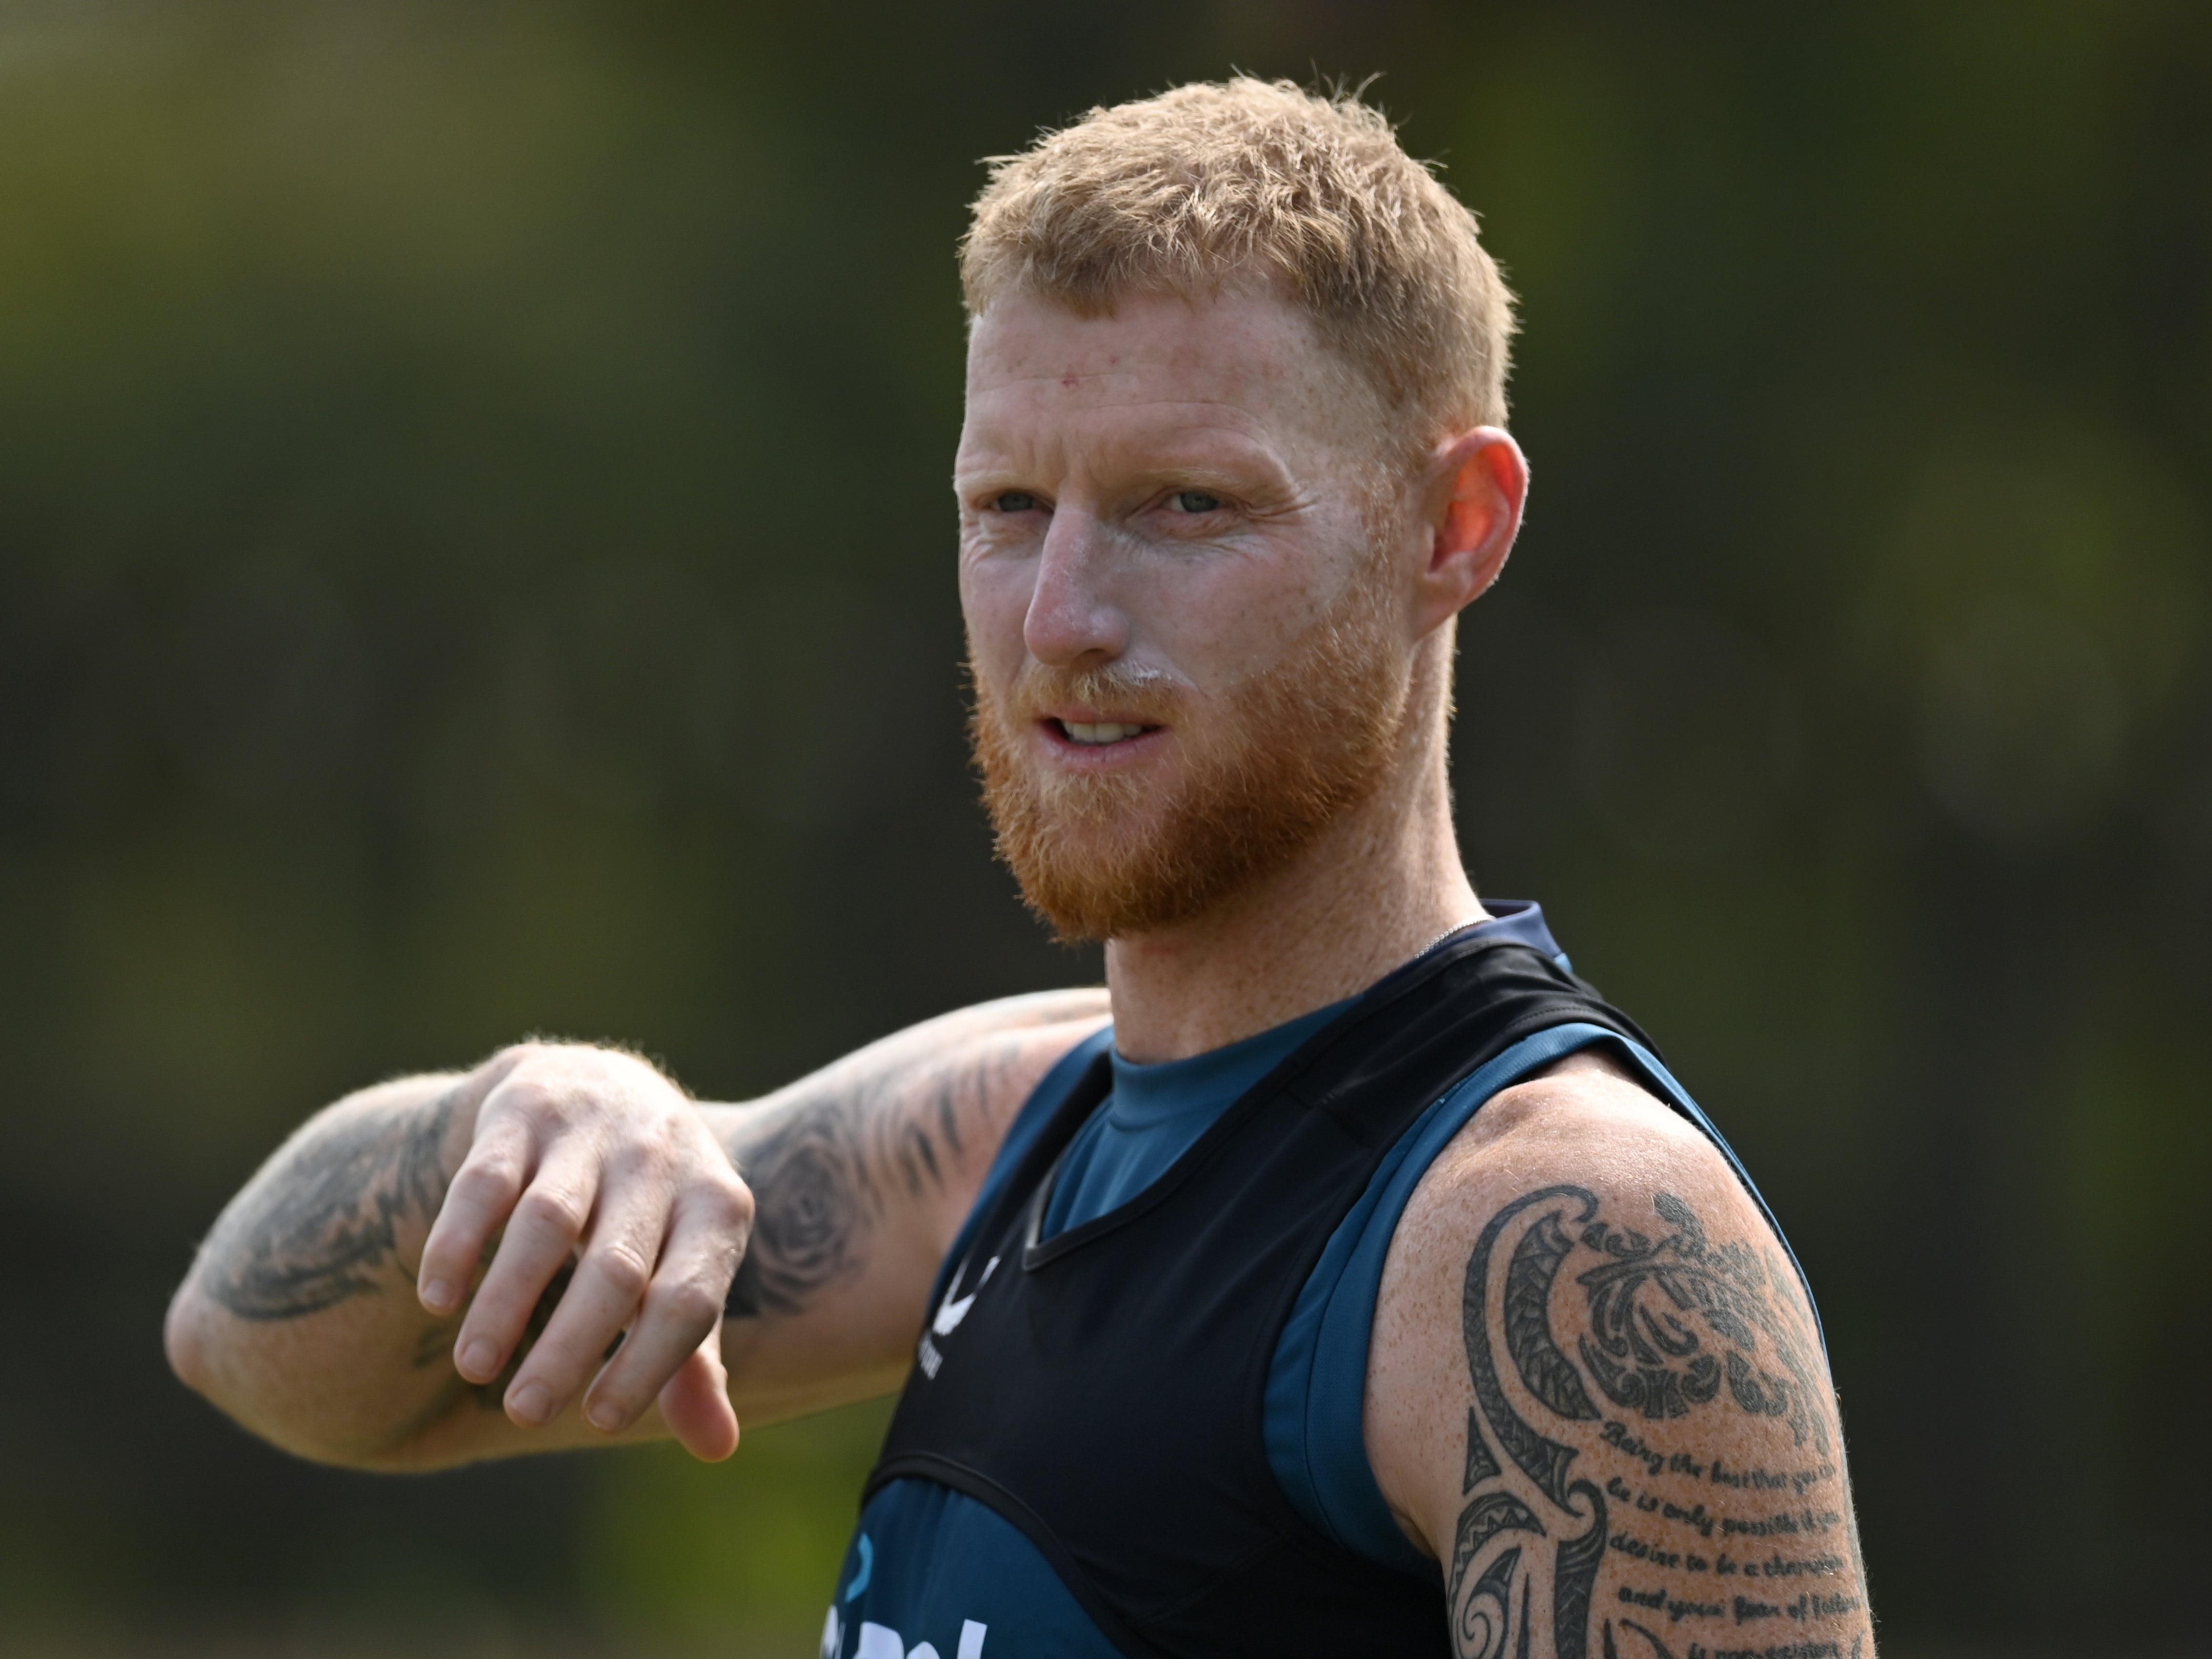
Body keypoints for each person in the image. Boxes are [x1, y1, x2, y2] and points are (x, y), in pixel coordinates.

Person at [166, 77, 1875, 1659]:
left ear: (1454, 528)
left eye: (1187, 506)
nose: (1058, 623)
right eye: (1005, 508)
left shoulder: (1561, 1243)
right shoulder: (1020, 1124)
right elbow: (257, 1352)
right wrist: (524, 1113)